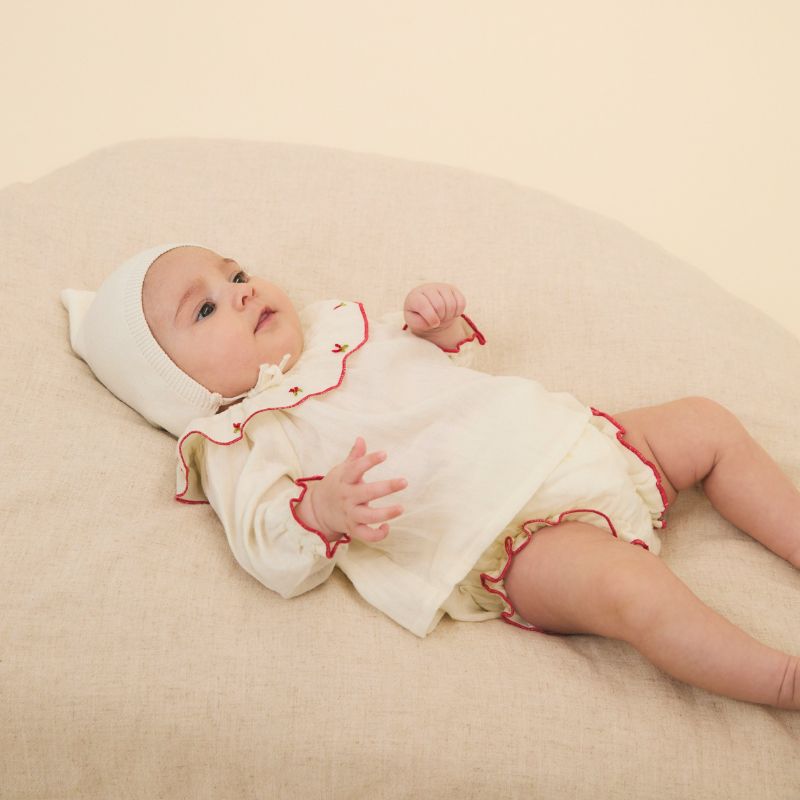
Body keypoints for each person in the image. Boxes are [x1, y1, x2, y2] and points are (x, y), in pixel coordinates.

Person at [61, 242, 800, 709]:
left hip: (569, 438)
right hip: (510, 535)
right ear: (177, 384)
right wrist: (320, 512)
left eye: (236, 271)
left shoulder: (338, 327)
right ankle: (779, 680)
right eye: (208, 307)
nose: (244, 290)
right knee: (631, 591)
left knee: (704, 422)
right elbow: (264, 542)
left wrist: (434, 327)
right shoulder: (240, 436)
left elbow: (443, 368)